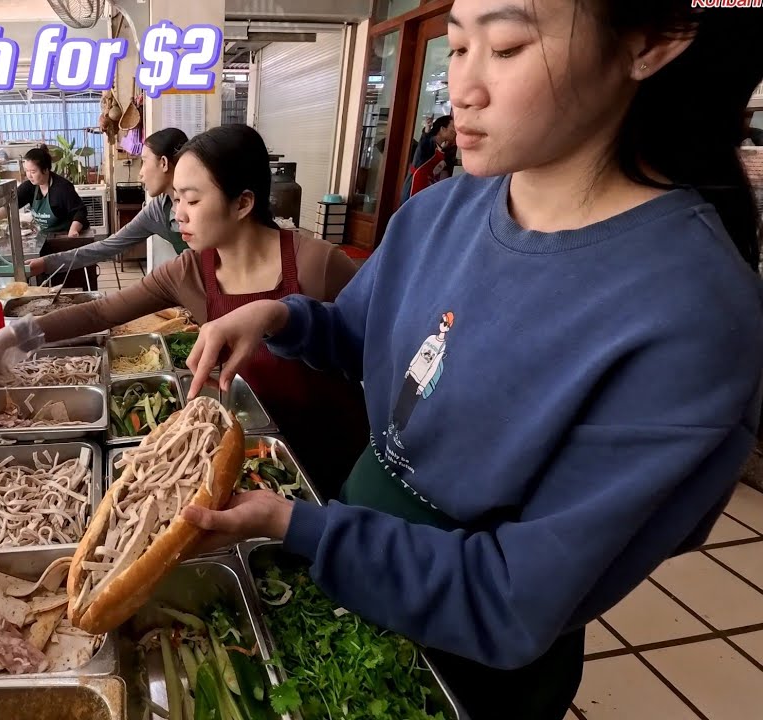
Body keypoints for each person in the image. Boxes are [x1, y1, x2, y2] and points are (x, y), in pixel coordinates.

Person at [179, 3, 763, 719]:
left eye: (509, 46)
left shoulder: (691, 314)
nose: (462, 87)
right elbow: (369, 341)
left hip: (468, 662)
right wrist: (281, 316)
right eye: (458, 47)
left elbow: (510, 598)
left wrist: (293, 524)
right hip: (350, 566)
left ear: (650, 42)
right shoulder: (439, 212)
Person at [0, 124, 371, 482]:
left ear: (243, 203)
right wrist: (13, 335)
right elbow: (100, 311)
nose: (178, 216)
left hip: (333, 457)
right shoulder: (188, 271)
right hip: (256, 458)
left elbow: (378, 351)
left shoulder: (317, 264)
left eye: (192, 201)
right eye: (175, 200)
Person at [28, 128, 189, 276]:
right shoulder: (158, 210)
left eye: (144, 161)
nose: (140, 174)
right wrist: (46, 263)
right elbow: (107, 246)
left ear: (164, 163)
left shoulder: (204, 207)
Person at [0, 146, 86, 236]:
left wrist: (73, 231)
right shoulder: (29, 187)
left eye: (33, 172)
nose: (29, 175)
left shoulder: (62, 188)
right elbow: (10, 205)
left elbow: (80, 211)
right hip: (46, 235)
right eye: (27, 171)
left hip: (65, 235)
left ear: (45, 170)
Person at [400, 115, 458, 205]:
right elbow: (425, 139)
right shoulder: (429, 143)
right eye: (453, 128)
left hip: (427, 187)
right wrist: (427, 128)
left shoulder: (442, 148)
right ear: (442, 129)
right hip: (414, 185)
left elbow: (450, 162)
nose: (455, 131)